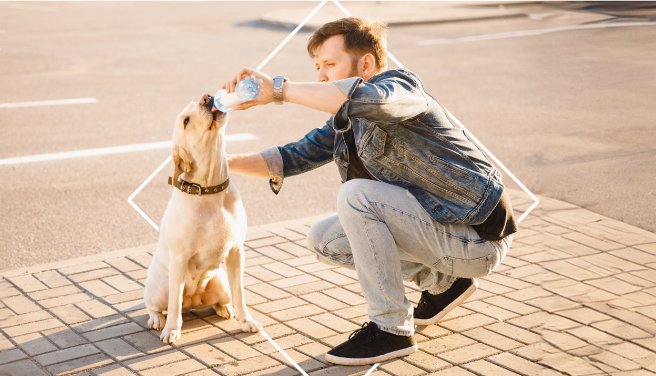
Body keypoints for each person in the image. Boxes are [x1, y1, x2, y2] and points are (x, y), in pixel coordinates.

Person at [220, 17, 517, 365]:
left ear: (366, 64)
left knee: (356, 196)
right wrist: (214, 162)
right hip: (443, 236)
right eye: (317, 67)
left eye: (329, 65)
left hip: (478, 239)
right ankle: (443, 283)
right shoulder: (348, 121)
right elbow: (290, 157)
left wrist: (278, 89)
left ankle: (391, 330)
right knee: (324, 238)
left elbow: (378, 103)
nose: (321, 77)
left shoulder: (402, 89)